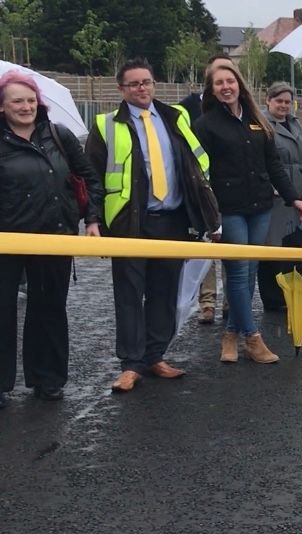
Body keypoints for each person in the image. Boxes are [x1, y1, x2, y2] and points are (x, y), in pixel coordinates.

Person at [86, 58, 220, 393]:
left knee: (164, 293)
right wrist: (93, 220)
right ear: (121, 89)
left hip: (173, 220)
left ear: (153, 83)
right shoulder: (106, 125)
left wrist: (203, 203)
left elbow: (197, 158)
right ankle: (130, 365)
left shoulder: (177, 116)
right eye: (133, 84)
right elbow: (91, 178)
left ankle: (155, 355)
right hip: (130, 222)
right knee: (129, 295)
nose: (141, 88)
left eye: (146, 82)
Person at [0, 70, 104, 406]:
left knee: (49, 310)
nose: (26, 106)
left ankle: (48, 379)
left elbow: (89, 177)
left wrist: (91, 219)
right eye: (17, 101)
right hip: (7, 241)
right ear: (3, 107)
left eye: (31, 100)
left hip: (54, 235)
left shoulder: (59, 136)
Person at [194, 65, 302, 365]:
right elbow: (199, 174)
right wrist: (208, 215)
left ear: (239, 84)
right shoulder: (205, 125)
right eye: (219, 83)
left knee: (249, 271)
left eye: (230, 80)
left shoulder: (259, 121)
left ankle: (231, 335)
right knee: (238, 270)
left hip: (260, 206)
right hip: (229, 209)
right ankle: (253, 337)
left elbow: (274, 166)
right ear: (212, 89)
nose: (225, 86)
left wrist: (294, 198)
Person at [180, 54, 235, 325]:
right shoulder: (186, 108)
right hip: (201, 186)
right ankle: (207, 302)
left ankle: (229, 302)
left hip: (231, 187)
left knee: (231, 245)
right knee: (206, 245)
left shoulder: (239, 108)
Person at [257, 82, 302, 312]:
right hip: (277, 194)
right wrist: (273, 187)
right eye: (279, 101)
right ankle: (274, 299)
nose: (284, 106)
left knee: (301, 244)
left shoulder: (296, 124)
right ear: (268, 101)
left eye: (287, 102)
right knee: (274, 246)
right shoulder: (262, 125)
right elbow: (262, 159)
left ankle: (299, 295)